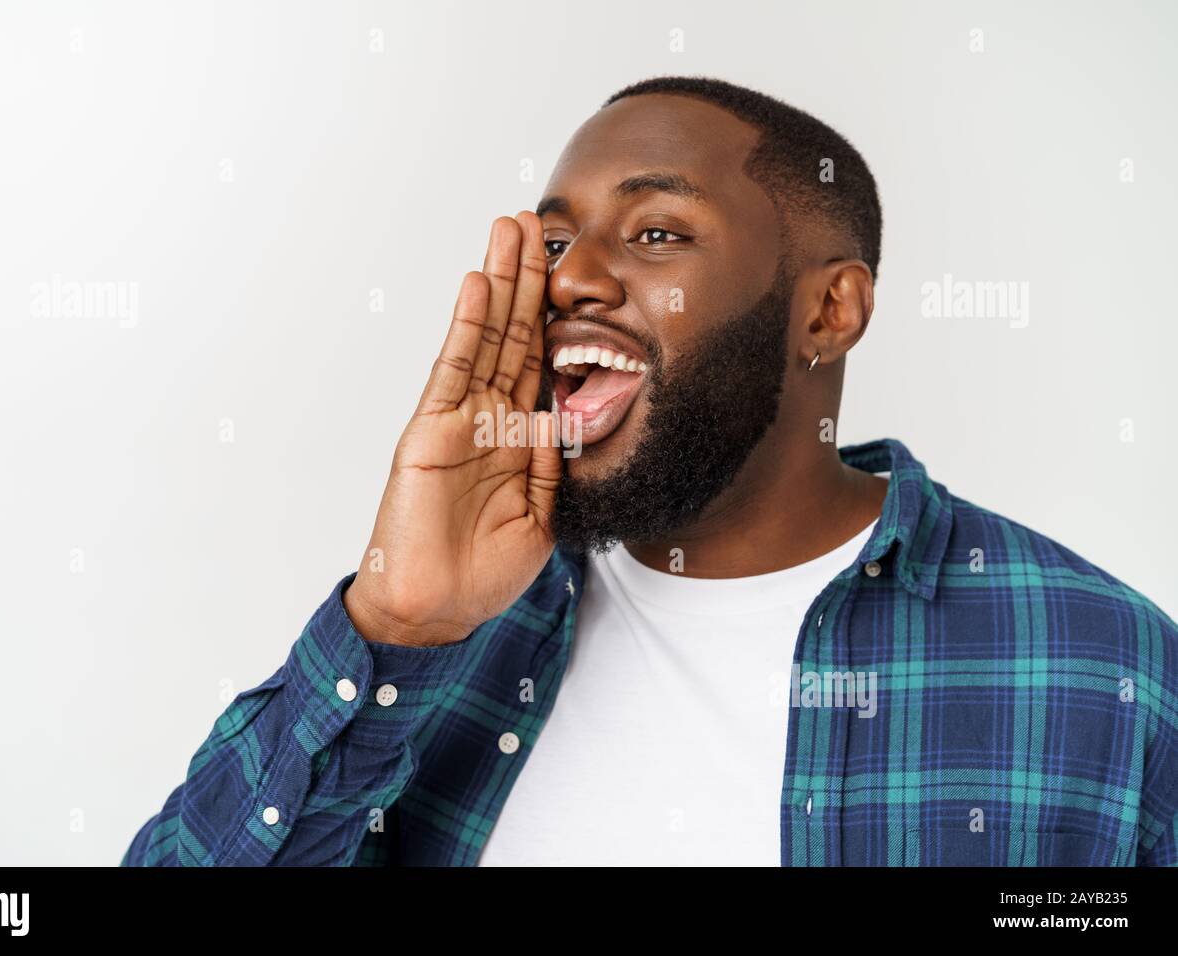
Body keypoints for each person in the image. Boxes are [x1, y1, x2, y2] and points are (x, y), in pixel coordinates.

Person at [123, 75, 1178, 866]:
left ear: (829, 309)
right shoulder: (441, 636)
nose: (567, 275)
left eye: (656, 230)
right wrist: (391, 624)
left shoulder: (1108, 670)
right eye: (550, 243)